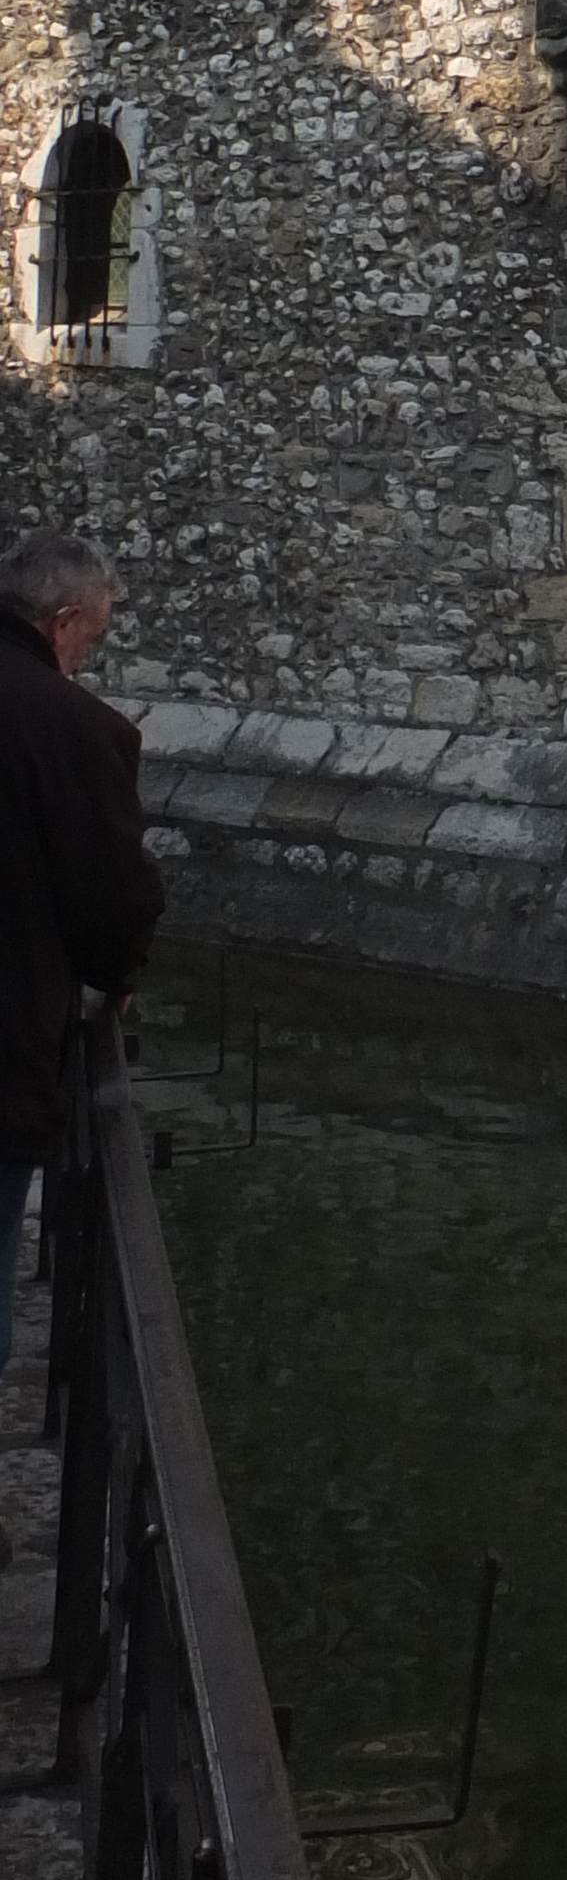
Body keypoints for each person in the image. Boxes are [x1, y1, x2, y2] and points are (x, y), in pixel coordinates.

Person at [0, 531, 162, 1394]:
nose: (85, 657)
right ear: (64, 623)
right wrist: (117, 975)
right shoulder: (75, 727)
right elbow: (115, 893)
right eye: (92, 639)